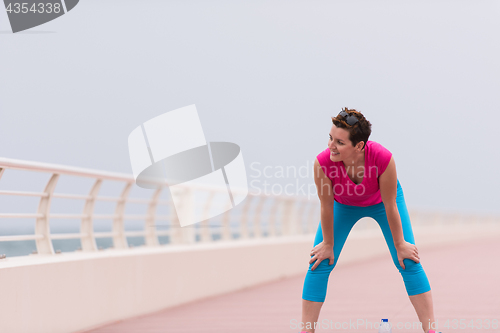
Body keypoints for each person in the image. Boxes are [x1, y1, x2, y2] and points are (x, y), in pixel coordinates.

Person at [300, 107, 436, 333]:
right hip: (343, 205)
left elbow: (391, 204)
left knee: (409, 261)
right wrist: (328, 244)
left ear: (359, 145)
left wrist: (401, 244)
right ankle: (306, 331)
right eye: (330, 138)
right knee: (319, 262)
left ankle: (431, 330)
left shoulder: (383, 158)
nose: (331, 146)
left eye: (340, 142)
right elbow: (326, 206)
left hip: (382, 204)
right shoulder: (322, 164)